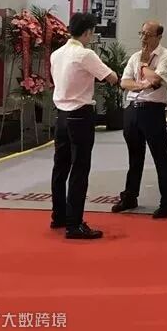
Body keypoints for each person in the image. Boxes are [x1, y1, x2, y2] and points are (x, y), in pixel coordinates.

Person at [50, 13, 119, 240]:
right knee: (80, 169)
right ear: (88, 32)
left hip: (61, 115)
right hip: (80, 115)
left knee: (60, 168)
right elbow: (111, 77)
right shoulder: (85, 54)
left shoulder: (56, 54)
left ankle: (59, 215)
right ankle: (74, 224)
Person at [111, 20, 167, 219]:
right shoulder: (134, 57)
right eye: (142, 33)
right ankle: (130, 196)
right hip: (133, 109)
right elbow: (125, 82)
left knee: (161, 156)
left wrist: (144, 66)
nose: (144, 38)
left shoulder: (166, 57)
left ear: (159, 37)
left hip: (153, 111)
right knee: (134, 156)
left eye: (148, 34)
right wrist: (141, 85)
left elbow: (156, 81)